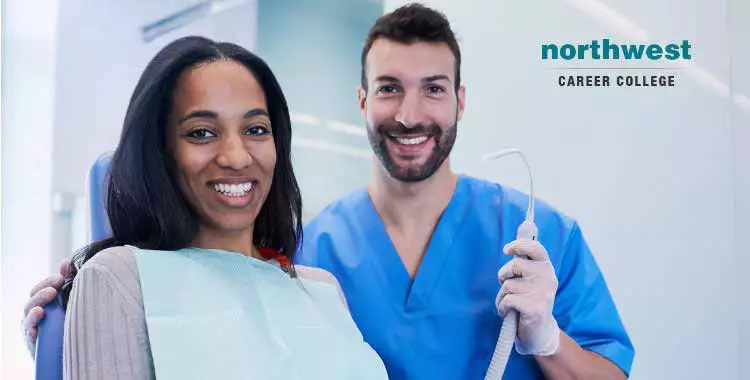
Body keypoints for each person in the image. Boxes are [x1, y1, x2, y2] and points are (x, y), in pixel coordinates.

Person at [25, 4, 634, 379]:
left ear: (460, 100)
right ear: (363, 101)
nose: (411, 113)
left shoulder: (539, 236)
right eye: (390, 88)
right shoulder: (305, 256)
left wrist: (546, 338)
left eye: (434, 89)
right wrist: (67, 334)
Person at [33, 36, 387, 379]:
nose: (236, 157)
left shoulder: (321, 289)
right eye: (201, 133)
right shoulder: (119, 277)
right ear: (161, 152)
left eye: (257, 129)